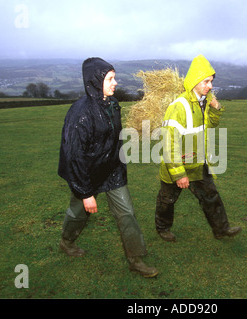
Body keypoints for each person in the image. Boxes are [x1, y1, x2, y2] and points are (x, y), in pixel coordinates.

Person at [58, 57, 158, 278]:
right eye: (110, 78)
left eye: (115, 77)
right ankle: (67, 241)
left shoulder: (112, 104)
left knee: (127, 213)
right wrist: (85, 194)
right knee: (79, 213)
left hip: (112, 171)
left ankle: (136, 259)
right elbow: (73, 157)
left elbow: (115, 140)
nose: (115, 82)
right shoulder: (80, 113)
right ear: (95, 81)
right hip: (86, 174)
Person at [155, 55, 242, 242]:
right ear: (195, 81)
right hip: (176, 165)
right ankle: (163, 228)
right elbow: (169, 144)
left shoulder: (205, 101)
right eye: (206, 81)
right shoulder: (178, 106)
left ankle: (221, 229)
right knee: (167, 200)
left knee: (210, 195)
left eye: (211, 82)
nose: (210, 86)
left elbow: (209, 126)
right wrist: (179, 174)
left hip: (197, 162)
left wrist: (216, 109)